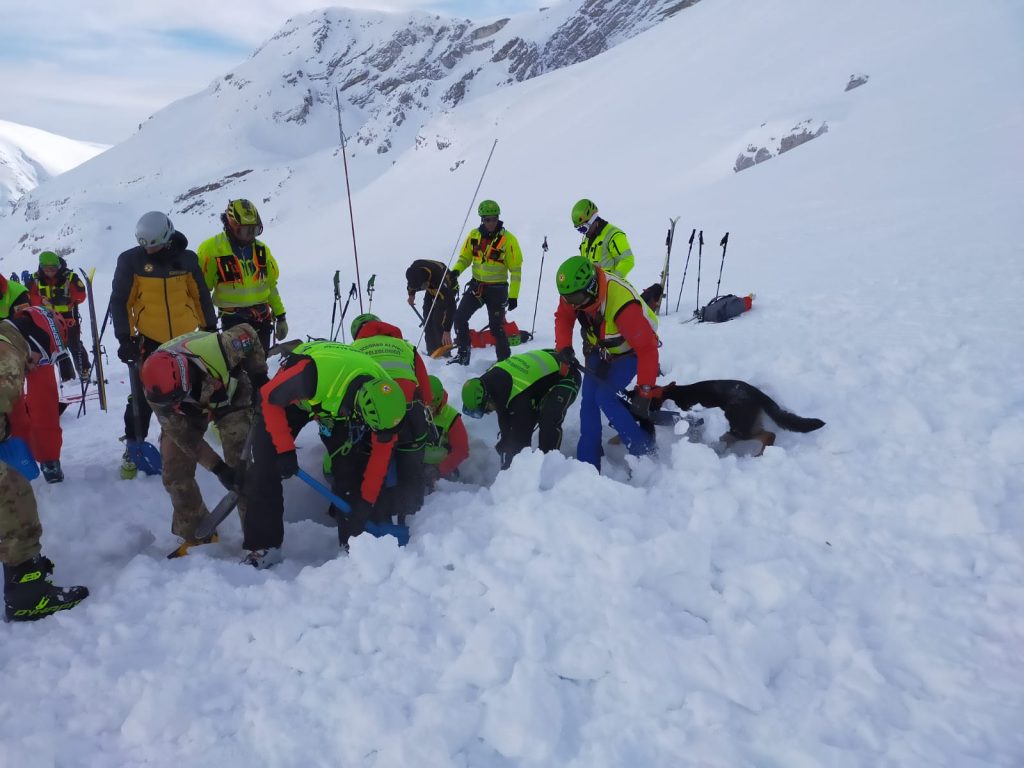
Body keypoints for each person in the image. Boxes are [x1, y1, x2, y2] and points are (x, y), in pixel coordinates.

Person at [241, 342, 408, 568]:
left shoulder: (387, 402)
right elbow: (269, 398)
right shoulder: (309, 376)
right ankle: (264, 545)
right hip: (288, 399)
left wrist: (365, 503)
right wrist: (285, 450)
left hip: (337, 407)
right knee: (264, 466)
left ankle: (352, 542)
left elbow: (380, 457)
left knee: (350, 466)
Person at [139, 324, 269, 558]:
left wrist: (259, 375)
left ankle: (259, 539)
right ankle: (197, 535)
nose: (174, 403)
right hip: (187, 415)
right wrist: (219, 470)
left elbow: (249, 332)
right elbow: (187, 440)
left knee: (241, 468)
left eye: (178, 397)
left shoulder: (220, 347)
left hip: (232, 398)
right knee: (174, 472)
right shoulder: (157, 395)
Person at [111, 211, 217, 479]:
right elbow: (120, 301)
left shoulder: (187, 260)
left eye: (154, 244)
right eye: (145, 244)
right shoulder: (131, 261)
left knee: (192, 394)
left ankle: (184, 443)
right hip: (150, 341)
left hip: (186, 342)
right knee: (144, 397)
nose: (149, 250)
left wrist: (209, 328)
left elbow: (200, 295)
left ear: (168, 237)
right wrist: (125, 338)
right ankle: (134, 445)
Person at [1, 305, 88, 621]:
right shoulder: (8, 353)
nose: (37, 365)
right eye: (40, 357)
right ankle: (27, 594)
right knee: (14, 501)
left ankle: (23, 568)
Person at [553, 256, 660, 470]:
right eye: (568, 298)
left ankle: (642, 451)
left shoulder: (622, 304)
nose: (571, 304)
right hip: (600, 350)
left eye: (575, 298)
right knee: (589, 400)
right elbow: (563, 318)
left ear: (592, 288)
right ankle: (587, 463)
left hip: (631, 354)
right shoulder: (574, 293)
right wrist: (563, 347)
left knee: (605, 397)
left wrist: (645, 390)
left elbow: (647, 349)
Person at [349, 314, 434, 520]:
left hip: (374, 418)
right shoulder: (406, 347)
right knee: (412, 467)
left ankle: (375, 513)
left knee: (372, 466)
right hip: (411, 416)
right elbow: (427, 394)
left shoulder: (353, 350)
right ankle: (414, 517)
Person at [461, 349, 580, 469]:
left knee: (548, 419)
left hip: (566, 373)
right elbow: (503, 413)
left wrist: (510, 466)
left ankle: (548, 467)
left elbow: (522, 436)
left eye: (485, 409)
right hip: (546, 363)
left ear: (489, 398)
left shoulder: (519, 396)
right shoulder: (490, 382)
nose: (487, 413)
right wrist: (505, 441)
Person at [197, 199, 287, 352]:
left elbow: (270, 286)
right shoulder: (211, 250)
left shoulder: (262, 250)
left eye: (254, 230)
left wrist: (281, 316)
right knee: (238, 369)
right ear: (231, 225)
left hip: (262, 319)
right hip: (233, 321)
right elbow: (201, 293)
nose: (250, 236)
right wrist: (206, 325)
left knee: (260, 367)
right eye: (245, 231)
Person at [450, 200, 524, 365]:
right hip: (477, 287)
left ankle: (504, 362)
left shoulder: (508, 240)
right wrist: (455, 271)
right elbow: (465, 258)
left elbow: (516, 271)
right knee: (460, 317)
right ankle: (463, 354)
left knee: (496, 327)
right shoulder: (474, 236)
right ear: (482, 219)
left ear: (498, 218)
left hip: (498, 290)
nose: (491, 223)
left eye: (494, 219)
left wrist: (513, 296)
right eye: (487, 219)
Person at [26, 251, 90, 382]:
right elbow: (27, 296)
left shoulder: (70, 277)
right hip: (46, 318)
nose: (50, 272)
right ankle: (67, 377)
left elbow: (81, 295)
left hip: (67, 318)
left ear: (58, 266)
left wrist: (72, 300)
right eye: (46, 269)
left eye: (53, 269)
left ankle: (84, 369)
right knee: (57, 347)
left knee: (75, 344)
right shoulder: (35, 279)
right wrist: (40, 301)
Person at [570, 198, 635, 279]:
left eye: (583, 228)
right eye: (579, 230)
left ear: (592, 220)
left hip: (611, 289)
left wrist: (613, 281)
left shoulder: (613, 235)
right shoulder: (587, 239)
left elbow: (628, 260)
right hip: (594, 289)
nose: (583, 233)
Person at [405, 259, 458, 356]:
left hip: (447, 290)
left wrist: (447, 330)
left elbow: (452, 305)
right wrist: (411, 294)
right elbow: (411, 284)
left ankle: (445, 353)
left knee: (438, 319)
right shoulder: (414, 270)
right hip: (432, 288)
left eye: (421, 287)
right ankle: (432, 351)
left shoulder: (439, 279)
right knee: (427, 318)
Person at [424, 375, 468, 482]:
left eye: (431, 407)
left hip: (440, 468)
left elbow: (461, 450)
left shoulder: (452, 418)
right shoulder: (413, 409)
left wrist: (439, 470)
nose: (428, 410)